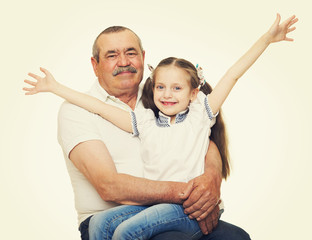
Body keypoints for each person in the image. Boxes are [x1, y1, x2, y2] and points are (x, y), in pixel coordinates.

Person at [24, 13, 297, 239]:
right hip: (152, 205)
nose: (123, 62)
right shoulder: (139, 114)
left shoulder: (169, 101)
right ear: (95, 65)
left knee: (128, 234)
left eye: (130, 53)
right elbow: (108, 178)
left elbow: (231, 79)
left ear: (143, 57)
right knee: (100, 226)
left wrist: (211, 181)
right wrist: (56, 88)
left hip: (175, 209)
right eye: (111, 55)